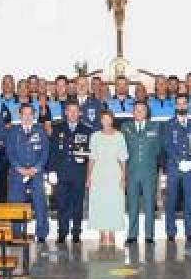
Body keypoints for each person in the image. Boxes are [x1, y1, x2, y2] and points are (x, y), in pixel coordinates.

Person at [49, 101, 93, 244]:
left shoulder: (86, 130)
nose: (73, 113)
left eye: (76, 111)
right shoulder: (57, 129)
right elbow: (53, 151)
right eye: (70, 110)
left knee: (77, 204)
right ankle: (62, 232)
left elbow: (90, 153)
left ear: (80, 113)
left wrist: (84, 159)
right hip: (61, 172)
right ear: (66, 112)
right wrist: (51, 170)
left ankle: (76, 233)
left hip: (78, 172)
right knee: (62, 204)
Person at [4, 103, 49, 242]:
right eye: (25, 114)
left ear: (34, 115)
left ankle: (41, 234)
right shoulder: (13, 131)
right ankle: (16, 233)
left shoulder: (40, 131)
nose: (27, 117)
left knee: (40, 203)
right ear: (20, 115)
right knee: (16, 204)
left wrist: (36, 168)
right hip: (17, 173)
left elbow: (45, 152)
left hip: (36, 172)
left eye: (30, 114)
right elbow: (9, 152)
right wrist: (20, 168)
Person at [162, 94, 191, 245]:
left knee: (189, 201)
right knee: (171, 201)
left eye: (183, 104)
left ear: (188, 106)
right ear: (175, 106)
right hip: (174, 167)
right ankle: (171, 232)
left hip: (190, 168)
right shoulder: (168, 125)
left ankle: (190, 232)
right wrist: (180, 161)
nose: (181, 106)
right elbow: (167, 145)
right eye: (178, 104)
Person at [88, 110, 129, 248]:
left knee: (114, 203)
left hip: (114, 174)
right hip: (98, 174)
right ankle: (101, 233)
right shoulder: (95, 136)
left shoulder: (119, 136)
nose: (106, 121)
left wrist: (124, 176)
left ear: (112, 120)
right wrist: (88, 176)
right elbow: (92, 158)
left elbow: (122, 158)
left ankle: (111, 233)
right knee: (99, 203)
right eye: (103, 119)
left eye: (108, 118)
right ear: (100, 121)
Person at [123, 101, 160, 245]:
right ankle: (132, 235)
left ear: (147, 112)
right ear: (133, 113)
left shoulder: (155, 127)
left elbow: (158, 149)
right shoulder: (126, 127)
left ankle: (149, 235)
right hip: (131, 171)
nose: (139, 112)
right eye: (136, 110)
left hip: (149, 172)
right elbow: (123, 149)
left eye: (142, 110)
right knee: (132, 204)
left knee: (150, 204)